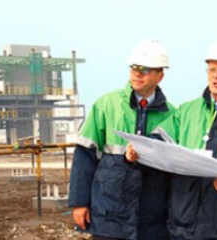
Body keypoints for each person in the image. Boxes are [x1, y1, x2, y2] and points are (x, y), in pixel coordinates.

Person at [126, 39, 217, 240]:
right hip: (185, 224)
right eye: (211, 69)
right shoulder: (186, 112)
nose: (216, 76)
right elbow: (158, 140)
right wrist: (139, 151)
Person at [68, 40, 176, 240]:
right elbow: (84, 156)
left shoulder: (172, 116)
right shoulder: (106, 106)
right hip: (109, 215)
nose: (137, 74)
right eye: (134, 68)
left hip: (152, 219)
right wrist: (80, 203)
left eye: (144, 70)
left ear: (160, 75)